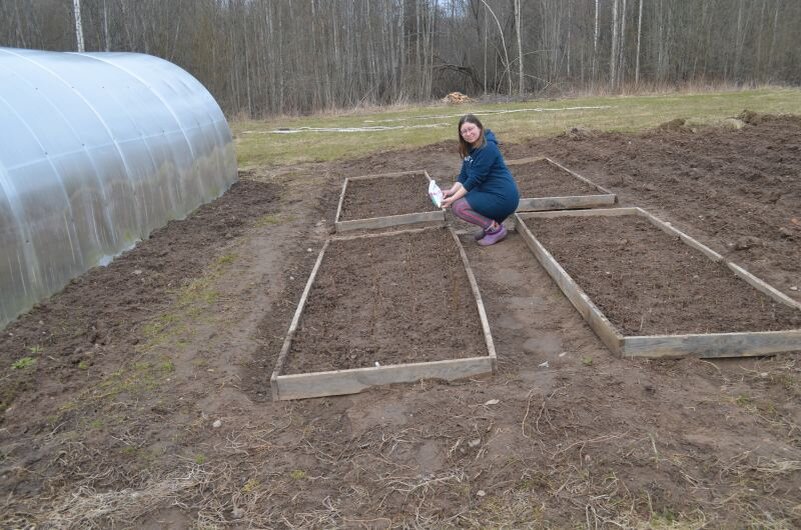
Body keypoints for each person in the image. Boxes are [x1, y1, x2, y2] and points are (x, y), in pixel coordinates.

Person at [441, 114, 520, 246]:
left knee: (459, 207)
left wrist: (453, 199)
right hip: (488, 192)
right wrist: (451, 191)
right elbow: (464, 175)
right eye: (464, 131)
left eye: (471, 129)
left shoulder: (487, 147)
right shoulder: (470, 148)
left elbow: (475, 179)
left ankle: (494, 230)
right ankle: (490, 226)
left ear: (479, 127)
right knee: (460, 199)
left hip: (502, 197)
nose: (468, 133)